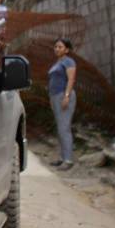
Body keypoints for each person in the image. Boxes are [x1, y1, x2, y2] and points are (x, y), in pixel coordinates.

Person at [48, 37, 77, 168]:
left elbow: (71, 80)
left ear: (67, 49)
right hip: (55, 97)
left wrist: (66, 96)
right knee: (60, 128)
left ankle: (68, 160)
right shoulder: (56, 63)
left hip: (64, 96)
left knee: (64, 128)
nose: (57, 49)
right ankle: (62, 157)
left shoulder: (69, 61)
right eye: (55, 47)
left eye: (60, 47)